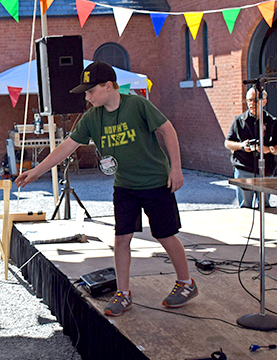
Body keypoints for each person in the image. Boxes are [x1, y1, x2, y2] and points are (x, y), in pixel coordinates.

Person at [15, 61, 197, 317]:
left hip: (156, 182)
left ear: (108, 86)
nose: (87, 97)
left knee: (164, 235)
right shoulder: (92, 118)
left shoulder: (137, 104)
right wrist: (36, 171)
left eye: (90, 91)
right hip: (124, 186)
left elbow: (167, 130)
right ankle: (123, 293)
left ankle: (186, 282)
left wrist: (175, 169)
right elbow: (67, 146)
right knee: (121, 239)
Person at [225, 88, 277, 208]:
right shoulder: (239, 121)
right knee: (245, 208)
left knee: (265, 208)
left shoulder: (272, 122)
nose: (251, 103)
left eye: (255, 100)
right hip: (244, 169)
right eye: (249, 100)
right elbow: (227, 143)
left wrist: (268, 149)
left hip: (265, 170)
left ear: (264, 102)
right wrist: (241, 146)